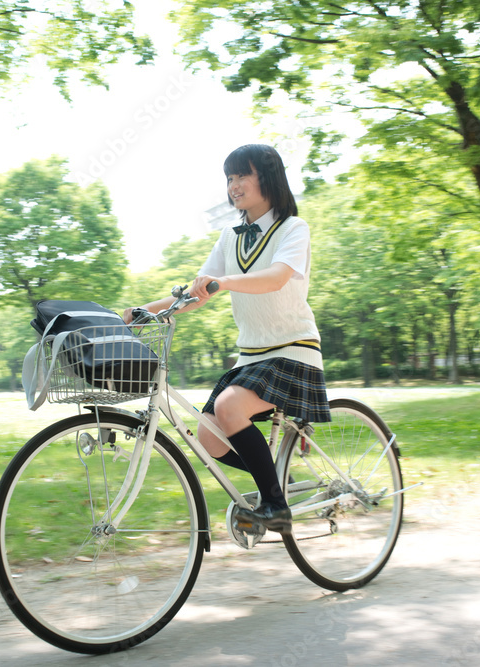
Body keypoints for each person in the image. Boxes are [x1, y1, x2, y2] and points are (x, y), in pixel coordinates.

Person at [124, 144, 330, 534]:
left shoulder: (292, 228)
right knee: (208, 437)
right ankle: (275, 481)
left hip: (293, 349)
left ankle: (275, 505)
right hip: (252, 355)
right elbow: (195, 293)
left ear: (267, 178)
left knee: (230, 407)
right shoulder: (230, 236)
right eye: (229, 178)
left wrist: (225, 282)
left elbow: (276, 277)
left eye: (242, 175)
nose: (234, 185)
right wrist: (140, 312)